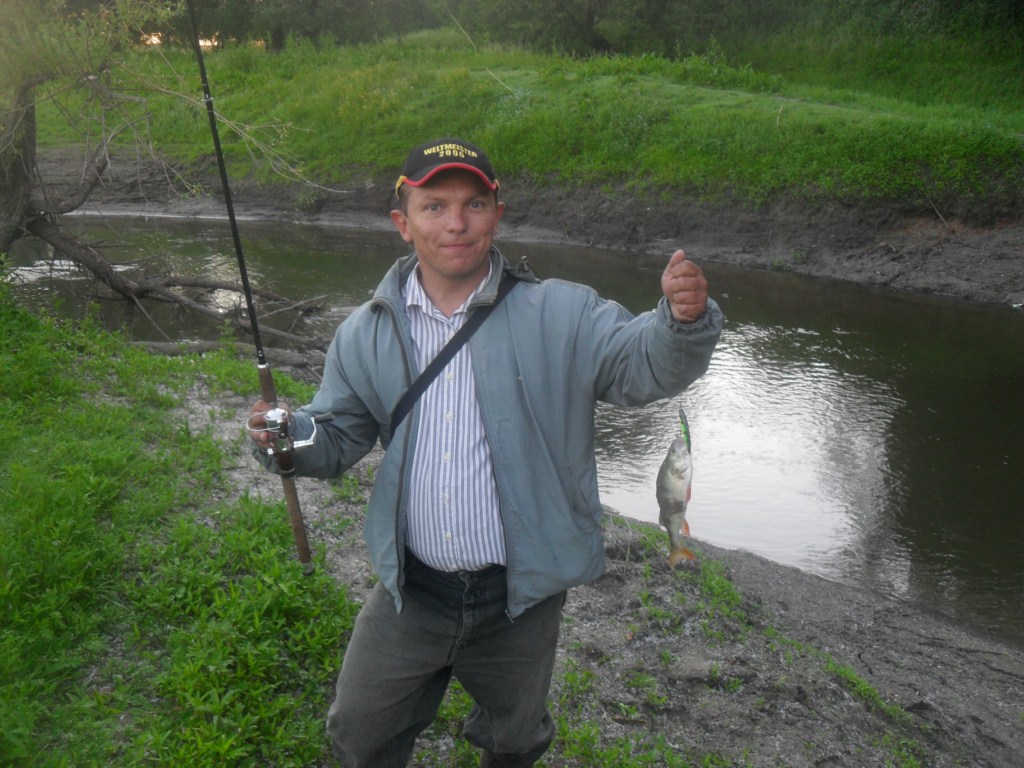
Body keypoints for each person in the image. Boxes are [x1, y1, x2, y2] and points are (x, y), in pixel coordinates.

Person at [247, 136, 723, 767]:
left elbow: (643, 365)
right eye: (434, 206)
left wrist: (680, 323)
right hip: (412, 590)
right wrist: (284, 438)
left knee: (514, 739)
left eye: (473, 204)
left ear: (497, 214)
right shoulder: (364, 332)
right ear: (403, 223)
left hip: (521, 600)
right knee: (359, 731)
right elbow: (335, 437)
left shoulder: (564, 312)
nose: (456, 223)